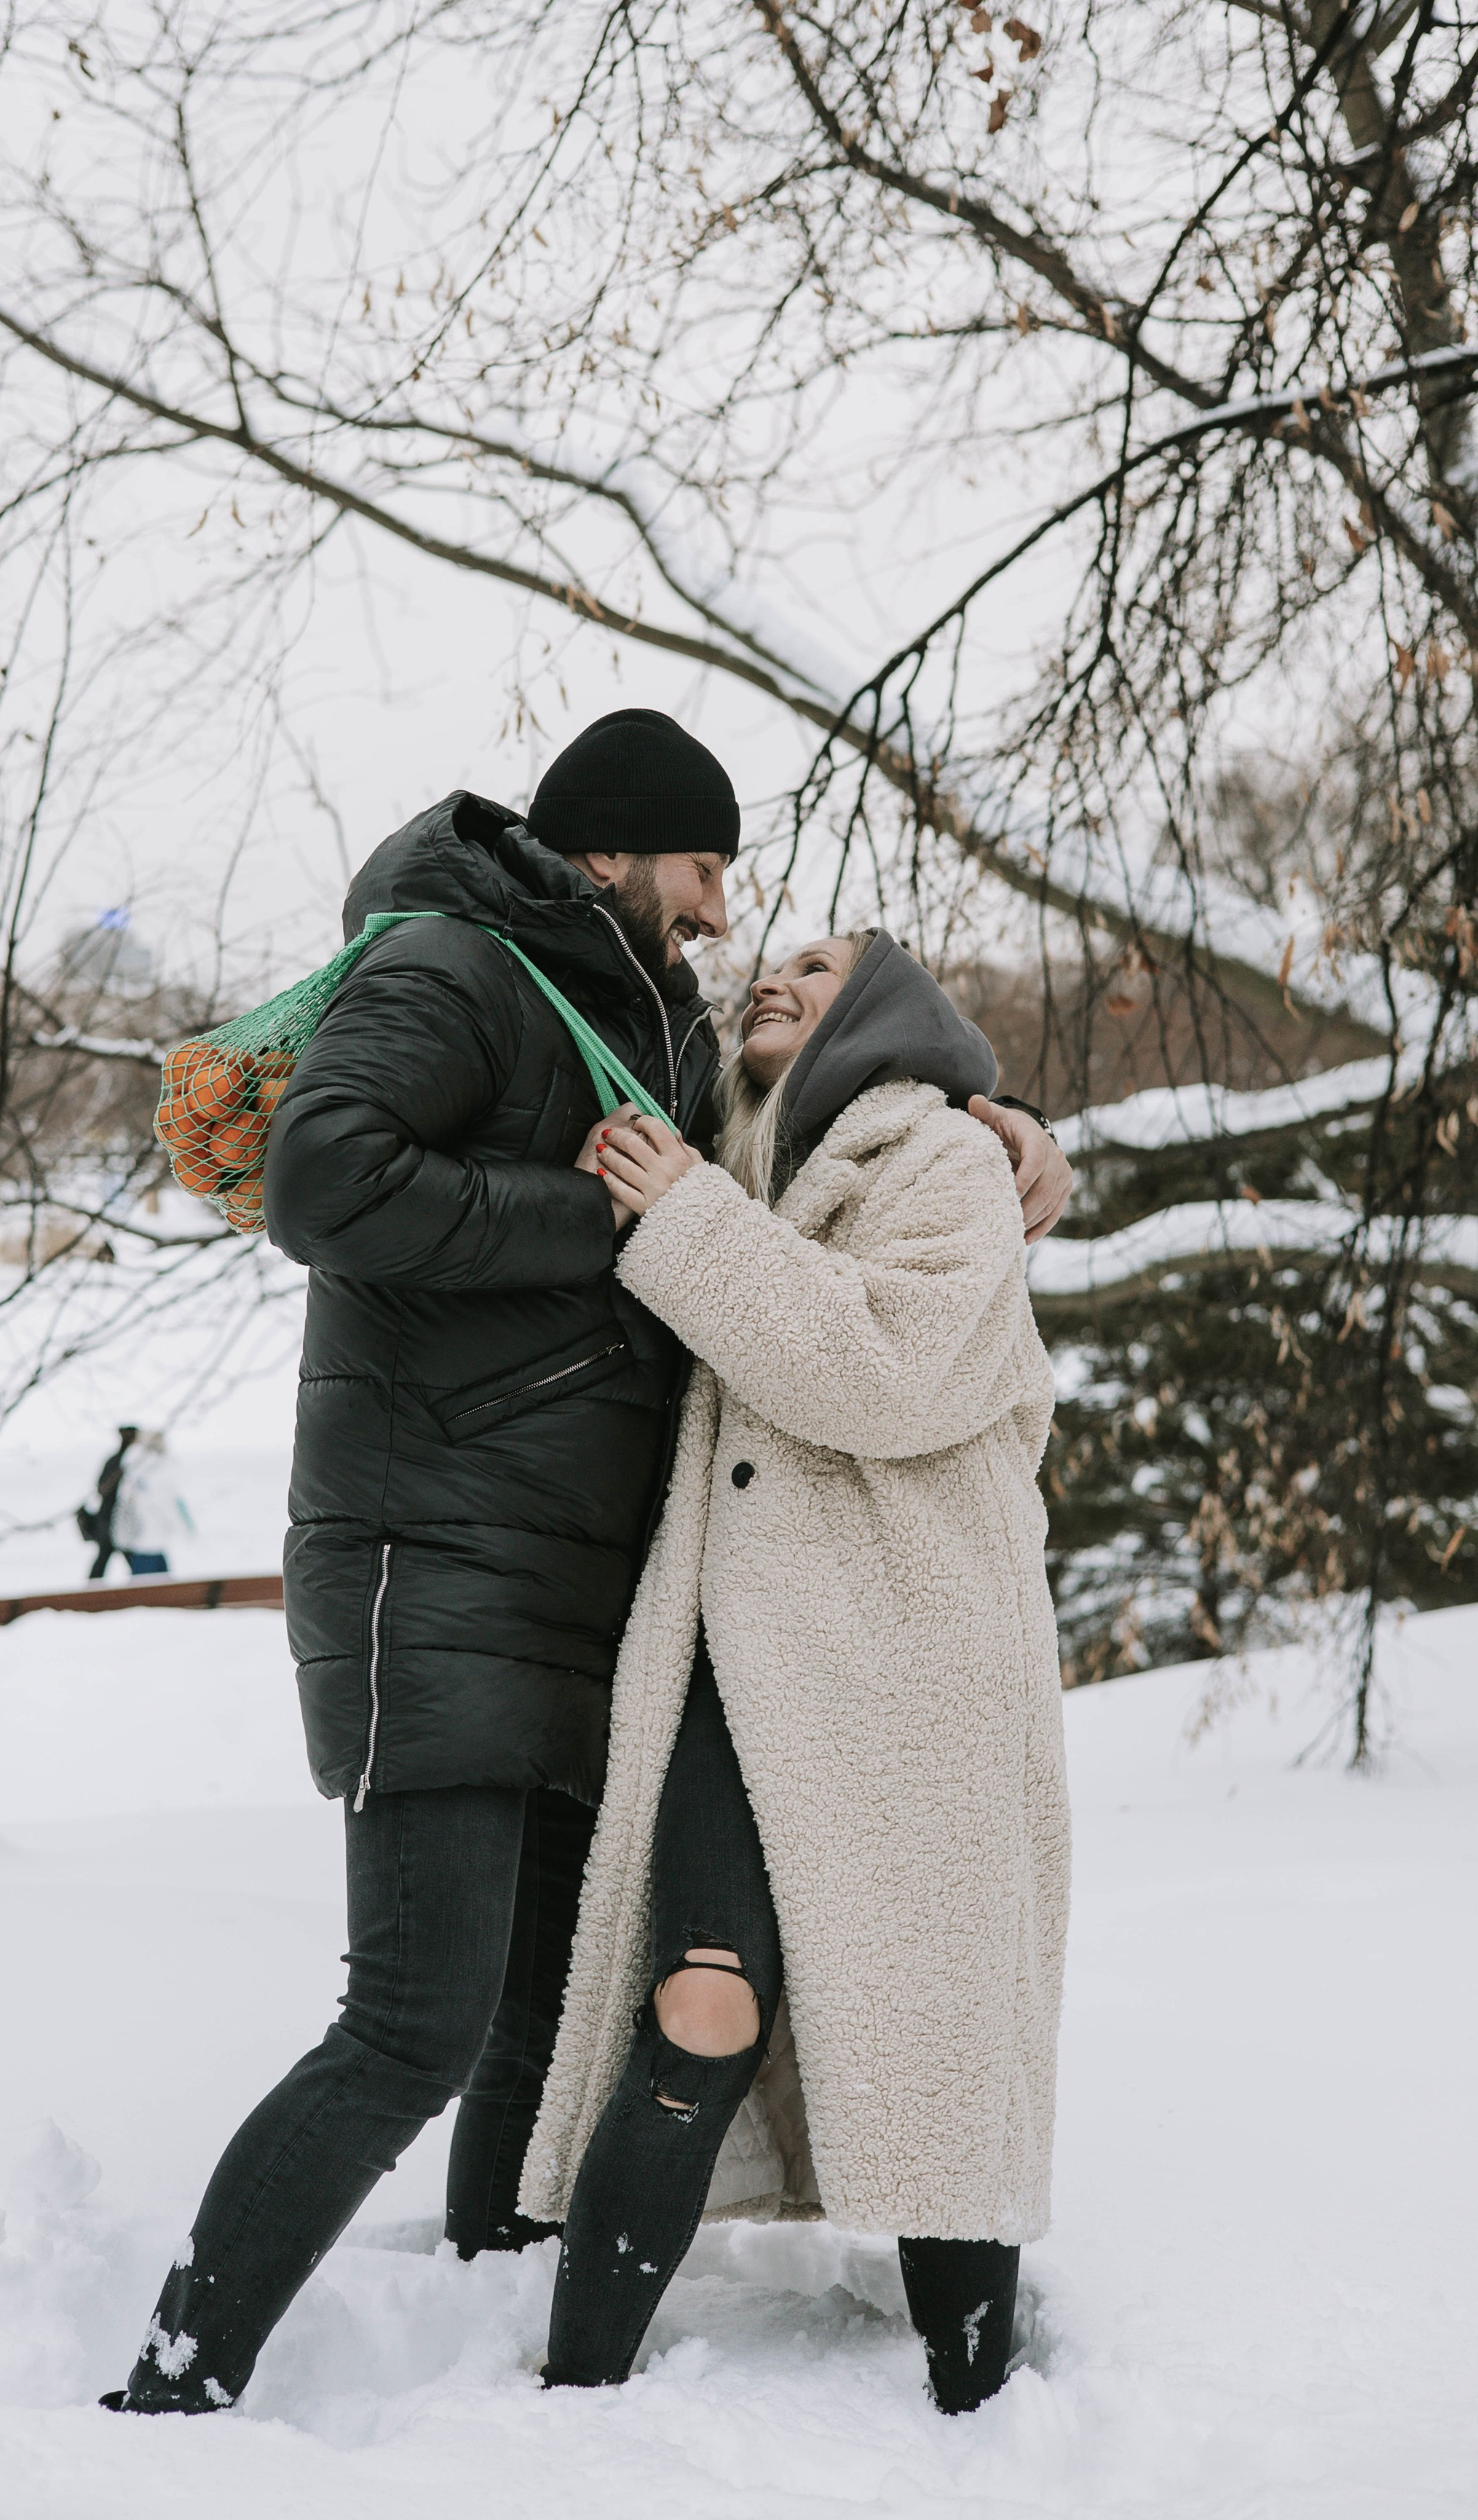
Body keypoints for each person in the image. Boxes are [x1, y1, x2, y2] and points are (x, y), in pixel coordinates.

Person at [104, 712, 1072, 2415]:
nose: (718, 914)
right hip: (439, 1561)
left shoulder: (638, 1017)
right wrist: (605, 1220)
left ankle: (481, 2320)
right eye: (702, 870)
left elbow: (798, 1137)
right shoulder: (449, 960)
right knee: (411, 2017)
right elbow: (327, 1179)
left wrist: (995, 1114)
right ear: (619, 842)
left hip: (586, 1600)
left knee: (540, 2022)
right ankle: (177, 2376)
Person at [517, 928, 1070, 2416]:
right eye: (770, 957)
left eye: (820, 969)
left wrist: (693, 1220)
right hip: (727, 1644)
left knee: (934, 2017)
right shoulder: (715, 1156)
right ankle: (570, 2406)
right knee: (698, 1995)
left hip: (914, 1654)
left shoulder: (936, 1161)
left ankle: (980, 2413)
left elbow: (883, 1371)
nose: (775, 973)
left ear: (885, 1013)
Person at [112, 1428, 194, 1578]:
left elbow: (125, 1499)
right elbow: (166, 1504)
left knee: (147, 1587)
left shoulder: (134, 1467)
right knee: (156, 1588)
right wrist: (181, 1529)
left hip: (139, 1537)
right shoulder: (156, 1470)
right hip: (152, 1538)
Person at [81, 1425, 140, 1580]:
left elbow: (100, 1489)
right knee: (125, 1557)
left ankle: (91, 1592)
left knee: (107, 1557)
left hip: (109, 1518)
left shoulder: (118, 1460)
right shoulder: (130, 1461)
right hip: (115, 1518)